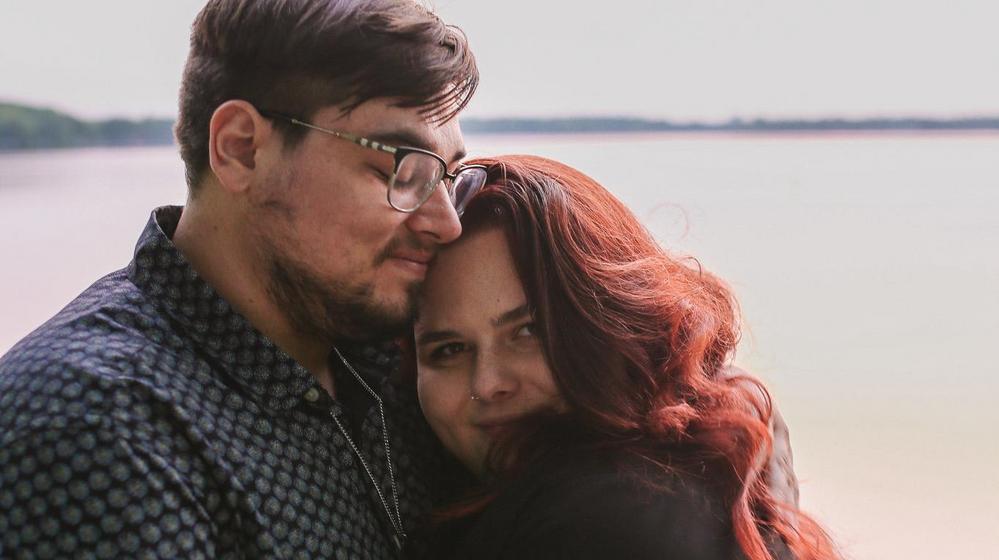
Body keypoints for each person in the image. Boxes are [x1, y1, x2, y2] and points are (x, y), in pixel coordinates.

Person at [0, 1, 483, 557]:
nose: (446, 223)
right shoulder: (95, 429)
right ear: (241, 149)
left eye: (448, 177)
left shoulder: (397, 354)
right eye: (402, 168)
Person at [412, 155, 838, 559]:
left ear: (617, 322)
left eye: (528, 332)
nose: (487, 383)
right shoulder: (697, 468)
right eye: (449, 350)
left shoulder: (598, 523)